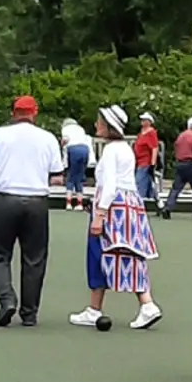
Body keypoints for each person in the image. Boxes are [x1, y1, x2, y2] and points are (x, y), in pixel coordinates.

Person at [0, 94, 63, 327]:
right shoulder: (48, 139)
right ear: (34, 113)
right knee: (34, 258)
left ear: (13, 112)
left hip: (6, 200)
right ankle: (29, 313)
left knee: (0, 254)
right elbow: (57, 177)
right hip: (37, 202)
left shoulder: (0, 135)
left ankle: (7, 300)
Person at [71, 104, 161, 329]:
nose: (96, 125)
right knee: (128, 253)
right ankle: (101, 307)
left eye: (99, 122)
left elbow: (109, 185)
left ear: (108, 126)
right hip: (129, 206)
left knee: (105, 252)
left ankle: (145, 305)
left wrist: (99, 215)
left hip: (115, 208)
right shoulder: (125, 149)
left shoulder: (112, 150)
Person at [164, 114, 192, 220]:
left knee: (176, 189)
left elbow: (176, 148)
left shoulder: (181, 136)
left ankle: (168, 208)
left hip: (180, 164)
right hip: (191, 164)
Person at [133, 112, 161, 209]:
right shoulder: (141, 133)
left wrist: (152, 164)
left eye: (145, 120)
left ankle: (137, 204)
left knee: (139, 182)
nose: (142, 121)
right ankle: (159, 203)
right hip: (139, 161)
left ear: (149, 122)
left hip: (146, 162)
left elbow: (154, 148)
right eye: (142, 120)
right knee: (150, 185)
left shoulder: (151, 133)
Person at [61, 119, 91, 210]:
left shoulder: (65, 129)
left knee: (71, 176)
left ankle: (68, 203)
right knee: (79, 177)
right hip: (85, 150)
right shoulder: (80, 129)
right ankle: (79, 203)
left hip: (73, 149)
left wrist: (62, 145)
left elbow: (65, 140)